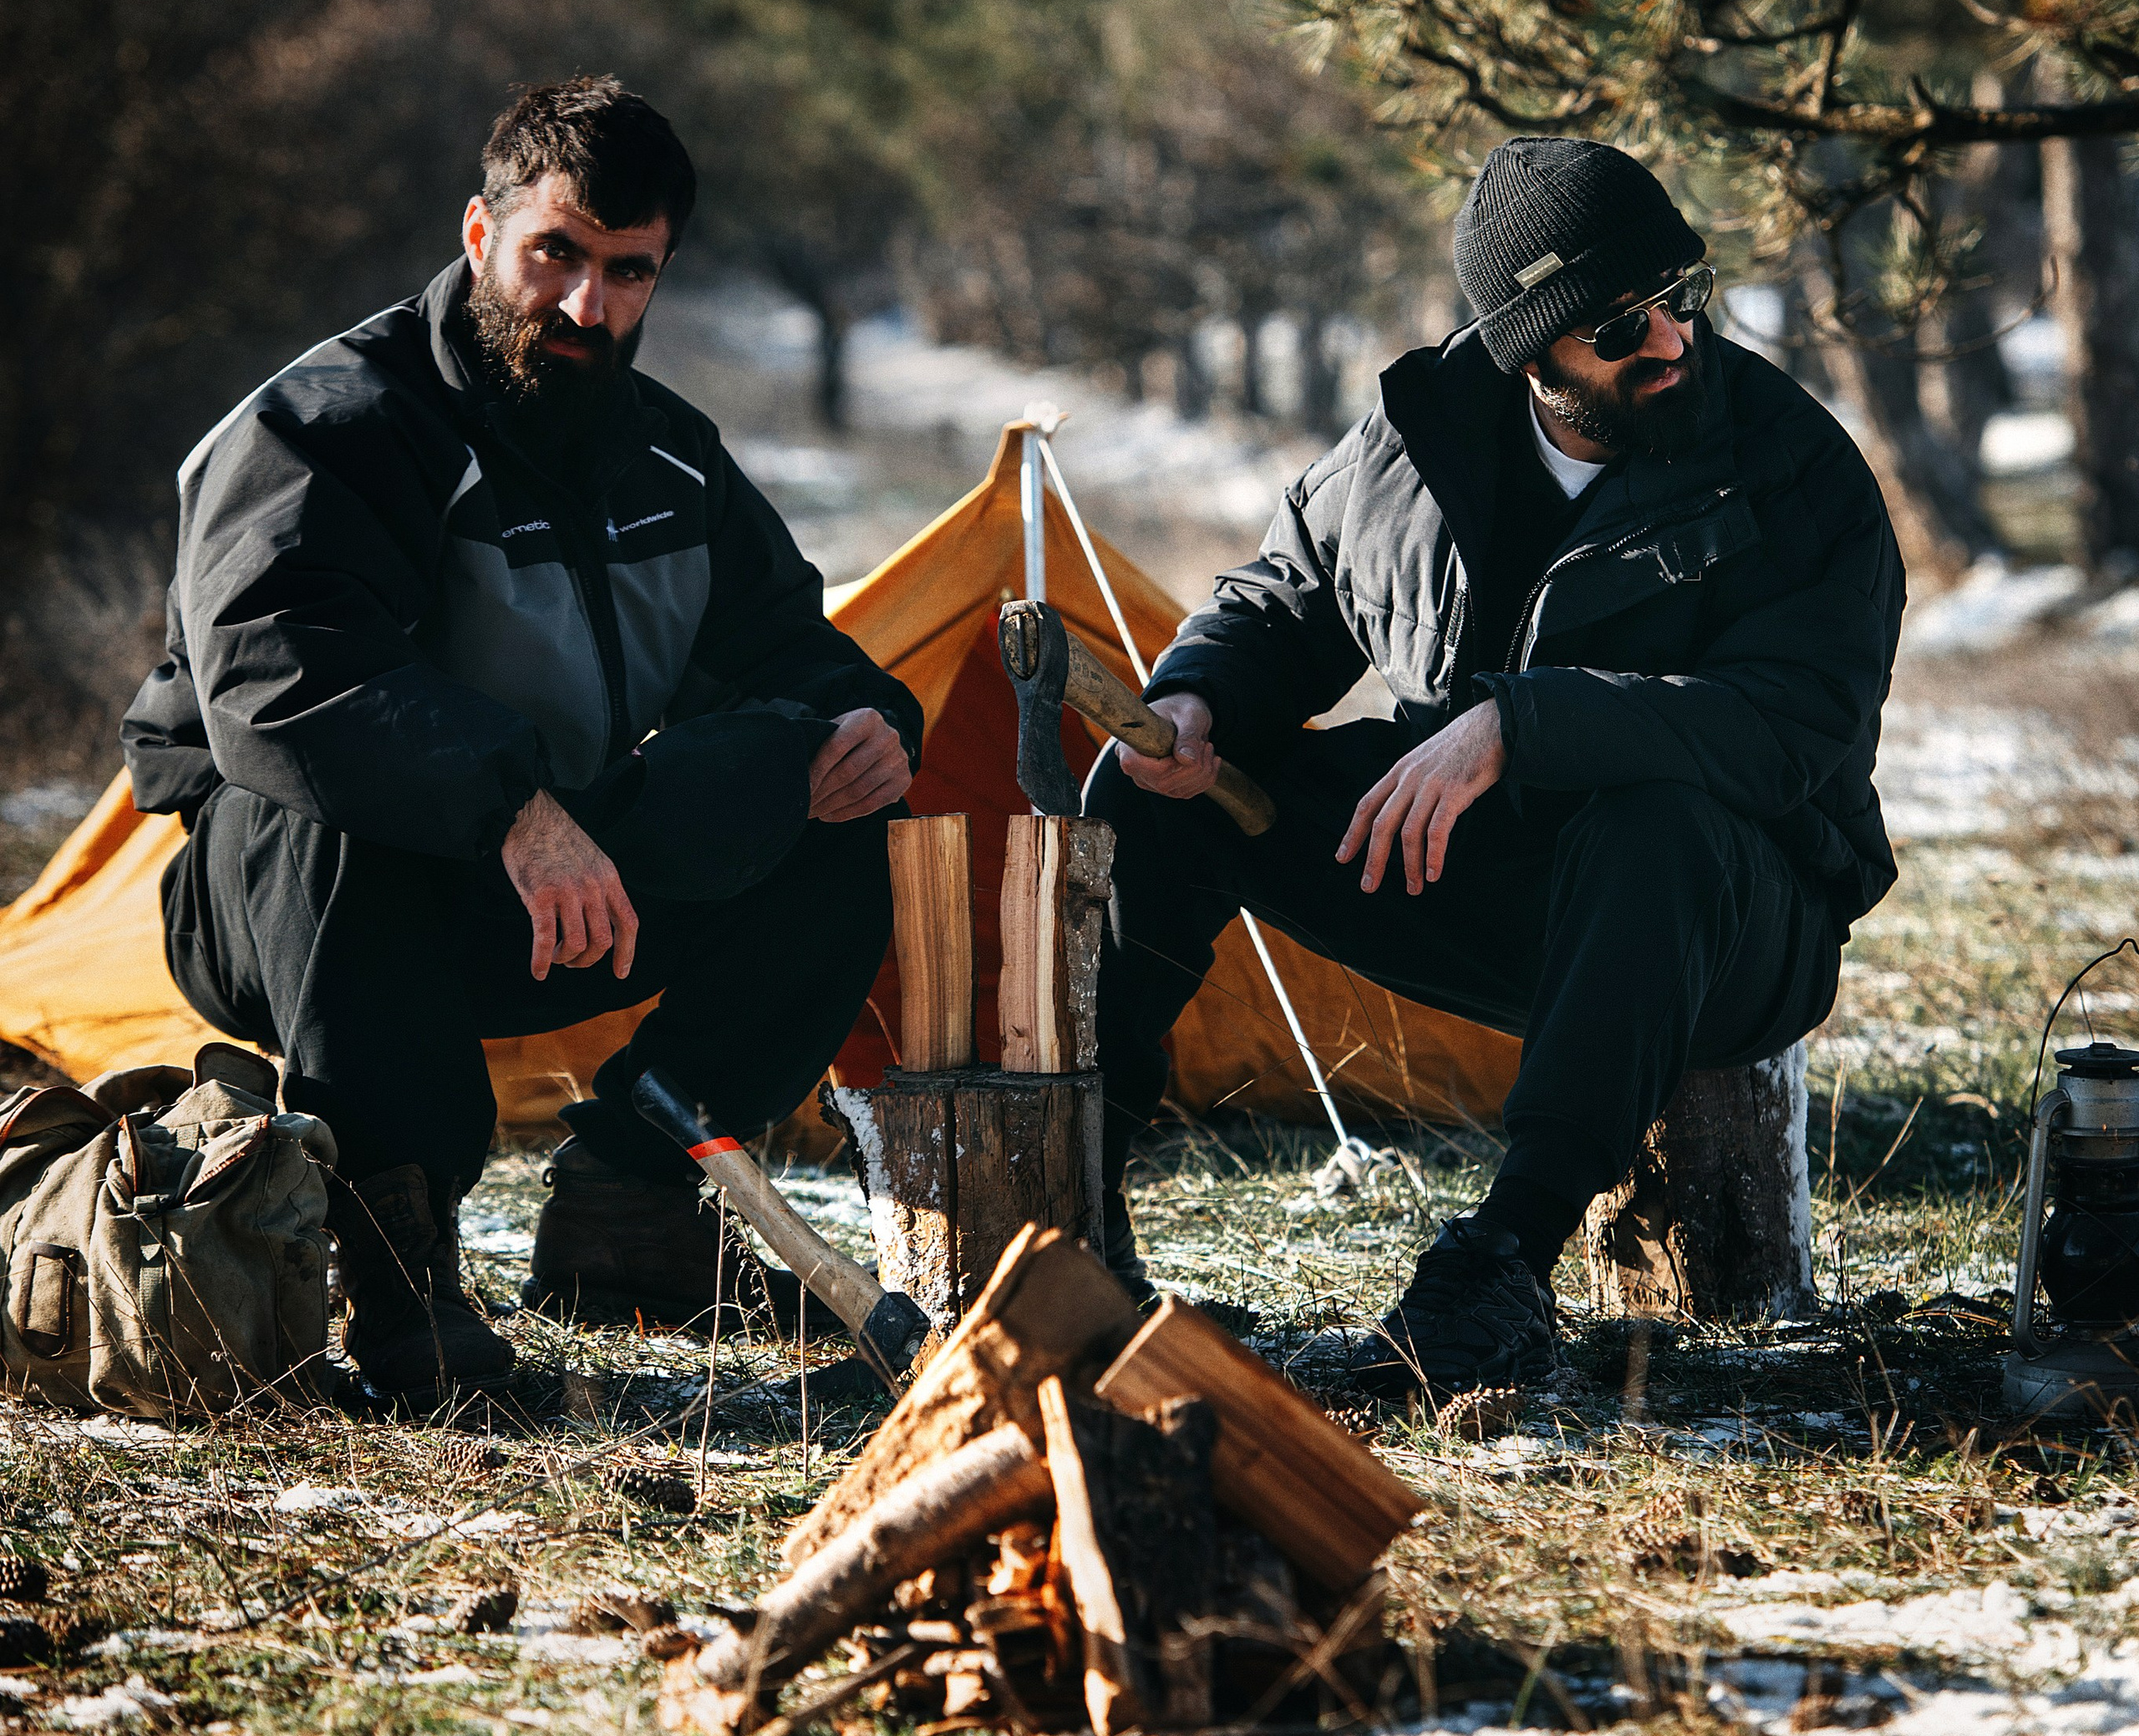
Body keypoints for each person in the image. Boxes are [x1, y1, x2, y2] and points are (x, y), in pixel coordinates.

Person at [122, 77, 918, 1404]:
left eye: (627, 271)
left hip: (544, 896)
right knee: (322, 796)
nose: (585, 306)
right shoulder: (325, 427)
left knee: (839, 804)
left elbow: (798, 653)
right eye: (557, 253)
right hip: (286, 908)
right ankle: (402, 1268)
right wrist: (512, 807)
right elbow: (279, 677)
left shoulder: (674, 459)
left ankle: (635, 1208)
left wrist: (867, 730)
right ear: (483, 233)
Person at [1091, 137, 1905, 1393]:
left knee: (1659, 819)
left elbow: (1792, 727)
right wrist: (1196, 699)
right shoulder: (1416, 442)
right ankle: (1078, 1213)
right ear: (1532, 354)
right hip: (1479, 882)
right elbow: (1281, 597)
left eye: (1685, 297)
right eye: (1625, 325)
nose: (1675, 340)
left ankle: (1504, 1264)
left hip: (1733, 925)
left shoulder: (1793, 469)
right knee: (1152, 796)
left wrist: (1526, 722)